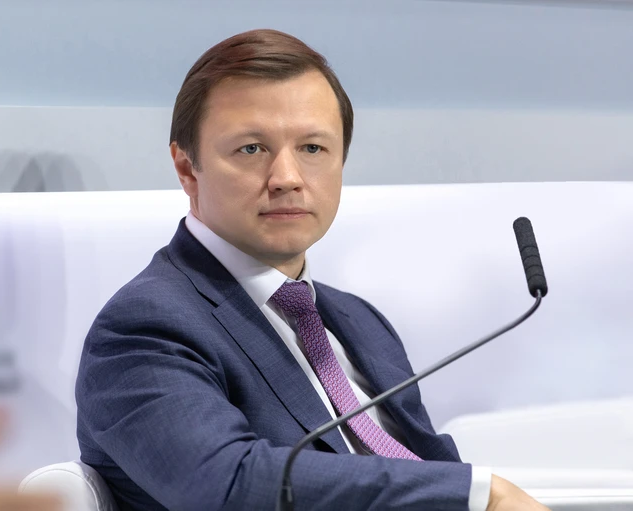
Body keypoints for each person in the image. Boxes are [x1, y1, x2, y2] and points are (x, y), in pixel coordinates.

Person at [75, 29, 548, 510]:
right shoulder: (144, 326)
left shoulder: (360, 321)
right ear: (186, 167)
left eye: (313, 148)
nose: (287, 178)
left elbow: (425, 470)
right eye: (252, 148)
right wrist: (477, 493)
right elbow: (229, 484)